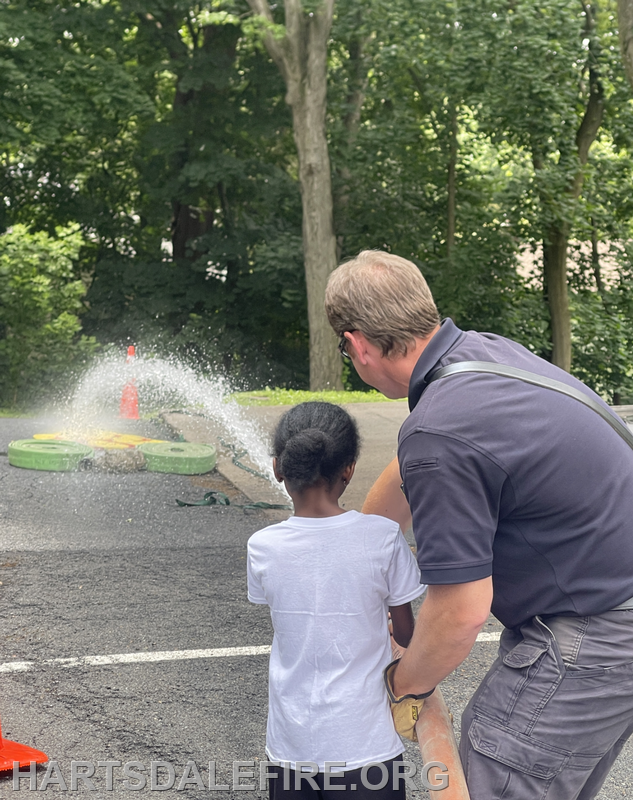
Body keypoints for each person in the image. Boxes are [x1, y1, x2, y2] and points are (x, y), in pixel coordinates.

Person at [325, 249, 633, 800]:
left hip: (596, 629)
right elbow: (408, 468)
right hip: (617, 607)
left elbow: (460, 613)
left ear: (356, 344)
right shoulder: (480, 357)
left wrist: (404, 684)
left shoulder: (440, 427)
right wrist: (357, 551)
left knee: (495, 780)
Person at [247, 401, 426, 799]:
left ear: (279, 468)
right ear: (349, 468)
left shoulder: (262, 546)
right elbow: (408, 632)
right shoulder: (381, 538)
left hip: (291, 743)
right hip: (366, 743)